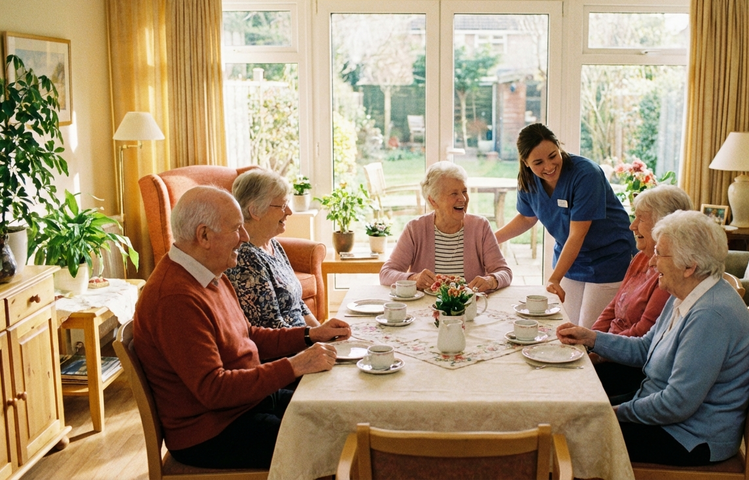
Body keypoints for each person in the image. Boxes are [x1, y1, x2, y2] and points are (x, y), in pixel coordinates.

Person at [133, 186, 351, 469]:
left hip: (247, 404)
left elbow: (249, 335)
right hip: (214, 431)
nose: (245, 237)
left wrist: (310, 335)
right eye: (237, 228)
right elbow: (214, 389)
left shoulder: (210, 271)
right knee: (340, 443)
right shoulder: (175, 298)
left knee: (339, 408)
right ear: (204, 235)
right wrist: (294, 366)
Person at [556, 210, 749, 466]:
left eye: (660, 254)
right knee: (574, 411)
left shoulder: (710, 315)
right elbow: (645, 348)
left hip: (689, 436)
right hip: (663, 415)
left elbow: (677, 403)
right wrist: (591, 337)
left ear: (689, 266)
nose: (651, 262)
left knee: (568, 436)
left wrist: (613, 413)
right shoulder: (686, 293)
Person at [495, 123, 635, 327]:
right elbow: (527, 217)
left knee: (586, 333)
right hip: (571, 260)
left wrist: (553, 279)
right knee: (565, 327)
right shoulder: (528, 180)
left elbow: (577, 234)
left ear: (559, 147)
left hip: (608, 258)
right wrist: (490, 239)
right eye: (538, 162)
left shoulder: (586, 174)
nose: (549, 166)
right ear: (525, 162)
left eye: (553, 155)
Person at [590, 185, 693, 401]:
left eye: (640, 219)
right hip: (611, 349)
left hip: (630, 364)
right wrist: (591, 339)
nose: (631, 226)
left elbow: (643, 335)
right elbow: (613, 305)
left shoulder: (671, 275)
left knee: (567, 385)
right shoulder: (640, 257)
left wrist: (600, 350)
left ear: (665, 224)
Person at [380, 161, 512, 292]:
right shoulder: (415, 229)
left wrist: (491, 280)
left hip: (469, 308)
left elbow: (504, 271)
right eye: (454, 194)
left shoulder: (480, 227)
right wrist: (414, 279)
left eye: (464, 191)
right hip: (426, 308)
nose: (463, 199)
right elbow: (386, 273)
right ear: (433, 201)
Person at [226, 169, 320, 329]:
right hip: (287, 349)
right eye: (283, 205)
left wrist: (323, 333)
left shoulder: (272, 244)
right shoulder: (245, 259)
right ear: (255, 210)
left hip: (303, 339)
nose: (289, 212)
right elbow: (273, 329)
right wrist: (314, 341)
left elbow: (298, 305)